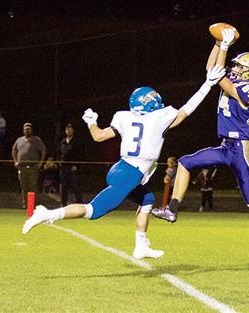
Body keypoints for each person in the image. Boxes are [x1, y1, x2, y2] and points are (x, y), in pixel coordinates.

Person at [22, 65, 226, 260]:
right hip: (131, 173)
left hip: (120, 169)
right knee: (92, 211)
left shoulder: (124, 116)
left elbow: (99, 136)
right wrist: (208, 84)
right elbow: (187, 109)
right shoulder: (159, 117)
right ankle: (47, 214)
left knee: (147, 200)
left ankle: (141, 245)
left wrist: (91, 121)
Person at [151, 28, 249, 247]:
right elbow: (212, 69)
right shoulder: (230, 79)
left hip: (240, 148)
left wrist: (226, 46)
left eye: (240, 66)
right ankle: (172, 210)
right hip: (225, 146)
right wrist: (218, 43)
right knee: (184, 162)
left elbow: (219, 75)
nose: (235, 68)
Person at [12, 123, 46, 208]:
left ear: (31, 130)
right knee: (24, 187)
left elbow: (43, 150)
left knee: (33, 187)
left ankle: (33, 205)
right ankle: (25, 204)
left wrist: (41, 162)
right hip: (21, 167)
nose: (27, 130)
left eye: (29, 129)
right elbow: (14, 150)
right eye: (26, 129)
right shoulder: (19, 140)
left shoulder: (36, 140)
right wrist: (15, 161)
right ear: (23, 130)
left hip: (33, 167)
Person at [57, 123, 84, 206]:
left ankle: (79, 203)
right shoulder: (62, 142)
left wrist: (76, 165)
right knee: (63, 186)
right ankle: (63, 203)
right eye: (67, 129)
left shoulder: (77, 142)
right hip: (63, 167)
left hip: (73, 167)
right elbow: (58, 153)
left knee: (76, 186)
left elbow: (80, 154)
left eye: (71, 129)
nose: (69, 130)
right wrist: (58, 161)